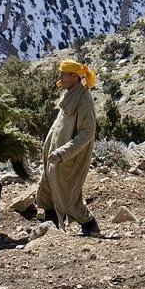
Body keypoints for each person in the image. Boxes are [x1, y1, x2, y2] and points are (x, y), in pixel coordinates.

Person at [35, 59, 100, 236]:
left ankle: (90, 225)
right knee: (48, 192)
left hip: (67, 159)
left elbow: (87, 133)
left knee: (67, 197)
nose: (60, 77)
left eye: (63, 74)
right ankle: (50, 231)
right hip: (54, 158)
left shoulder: (84, 98)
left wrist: (63, 153)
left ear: (73, 76)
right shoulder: (70, 94)